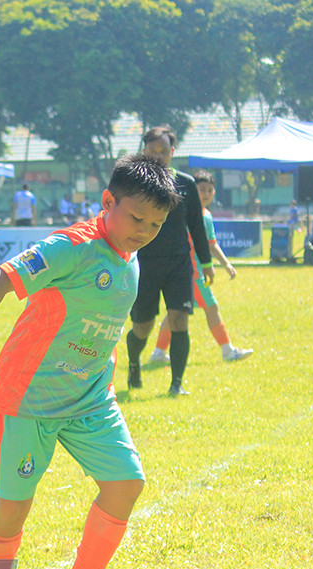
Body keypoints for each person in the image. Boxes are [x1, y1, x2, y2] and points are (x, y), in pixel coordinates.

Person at [0, 153, 181, 569]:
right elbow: (1, 278)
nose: (144, 232)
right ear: (107, 201)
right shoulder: (70, 247)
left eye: (155, 225)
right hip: (28, 397)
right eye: (137, 218)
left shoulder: (130, 256)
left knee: (126, 483)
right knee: (12, 506)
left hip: (91, 398)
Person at [125, 125, 214, 396]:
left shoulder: (186, 183)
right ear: (144, 151)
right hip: (144, 264)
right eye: (153, 150)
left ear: (173, 152)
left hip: (179, 264)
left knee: (179, 319)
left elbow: (197, 226)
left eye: (164, 151)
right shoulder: (134, 183)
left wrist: (206, 263)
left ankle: (177, 384)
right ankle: (133, 363)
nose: (159, 155)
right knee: (142, 326)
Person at [149, 171, 252, 364]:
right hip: (191, 272)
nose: (206, 194)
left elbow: (211, 244)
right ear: (192, 190)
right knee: (211, 308)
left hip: (194, 272)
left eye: (209, 190)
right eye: (201, 189)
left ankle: (158, 353)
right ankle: (228, 351)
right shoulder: (184, 212)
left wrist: (226, 264)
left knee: (175, 312)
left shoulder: (207, 216)